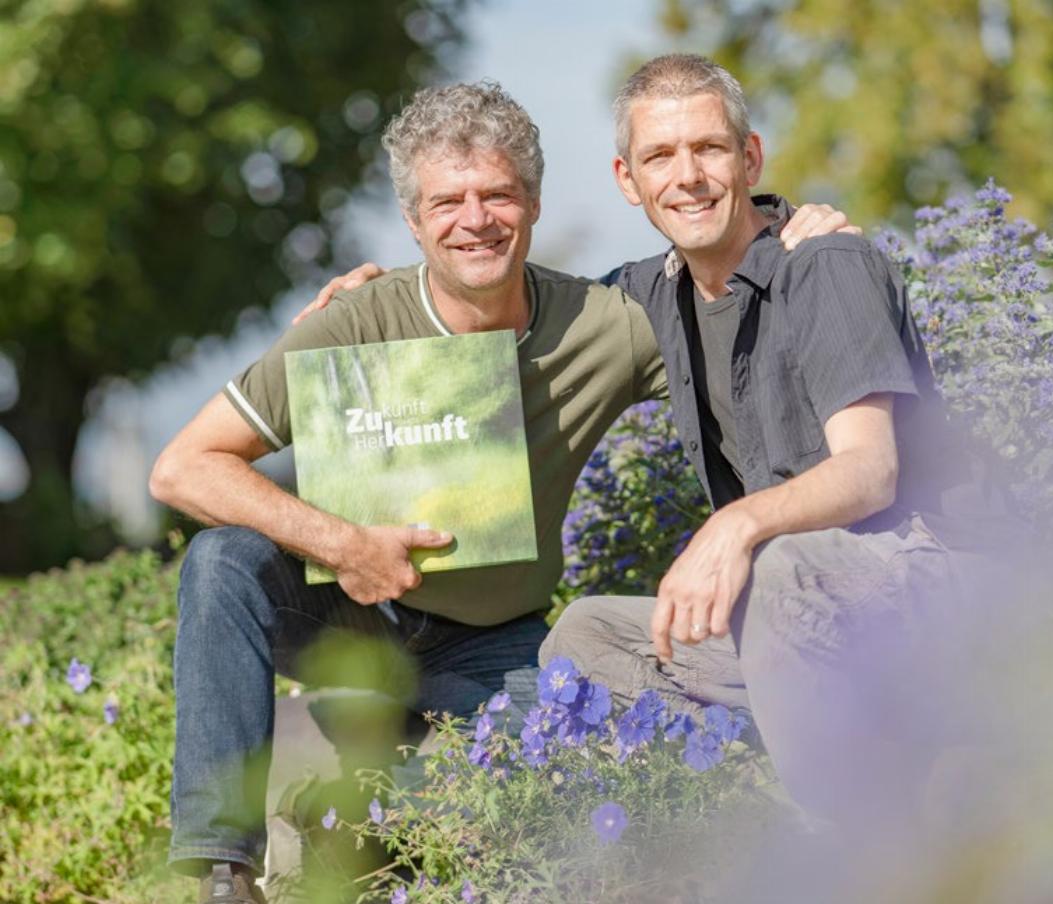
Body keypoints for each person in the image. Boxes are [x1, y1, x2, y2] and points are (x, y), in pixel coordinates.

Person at [150, 80, 851, 902]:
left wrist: (799, 235)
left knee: (556, 798)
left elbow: (725, 296)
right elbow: (183, 467)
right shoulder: (349, 324)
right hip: (346, 610)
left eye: (498, 195)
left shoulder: (607, 323)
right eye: (447, 201)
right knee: (223, 559)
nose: (475, 219)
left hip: (490, 640)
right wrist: (345, 546)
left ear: (535, 202)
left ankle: (354, 810)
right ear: (413, 222)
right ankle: (221, 872)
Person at [537, 54, 1022, 830]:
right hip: (796, 608)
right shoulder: (646, 295)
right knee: (588, 634)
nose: (687, 176)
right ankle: (755, 830)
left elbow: (870, 471)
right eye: (661, 156)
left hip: (936, 575)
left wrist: (736, 524)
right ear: (629, 180)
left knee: (781, 568)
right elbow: (503, 314)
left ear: (750, 156)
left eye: (710, 149)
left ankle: (861, 856)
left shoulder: (823, 263)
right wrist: (369, 301)